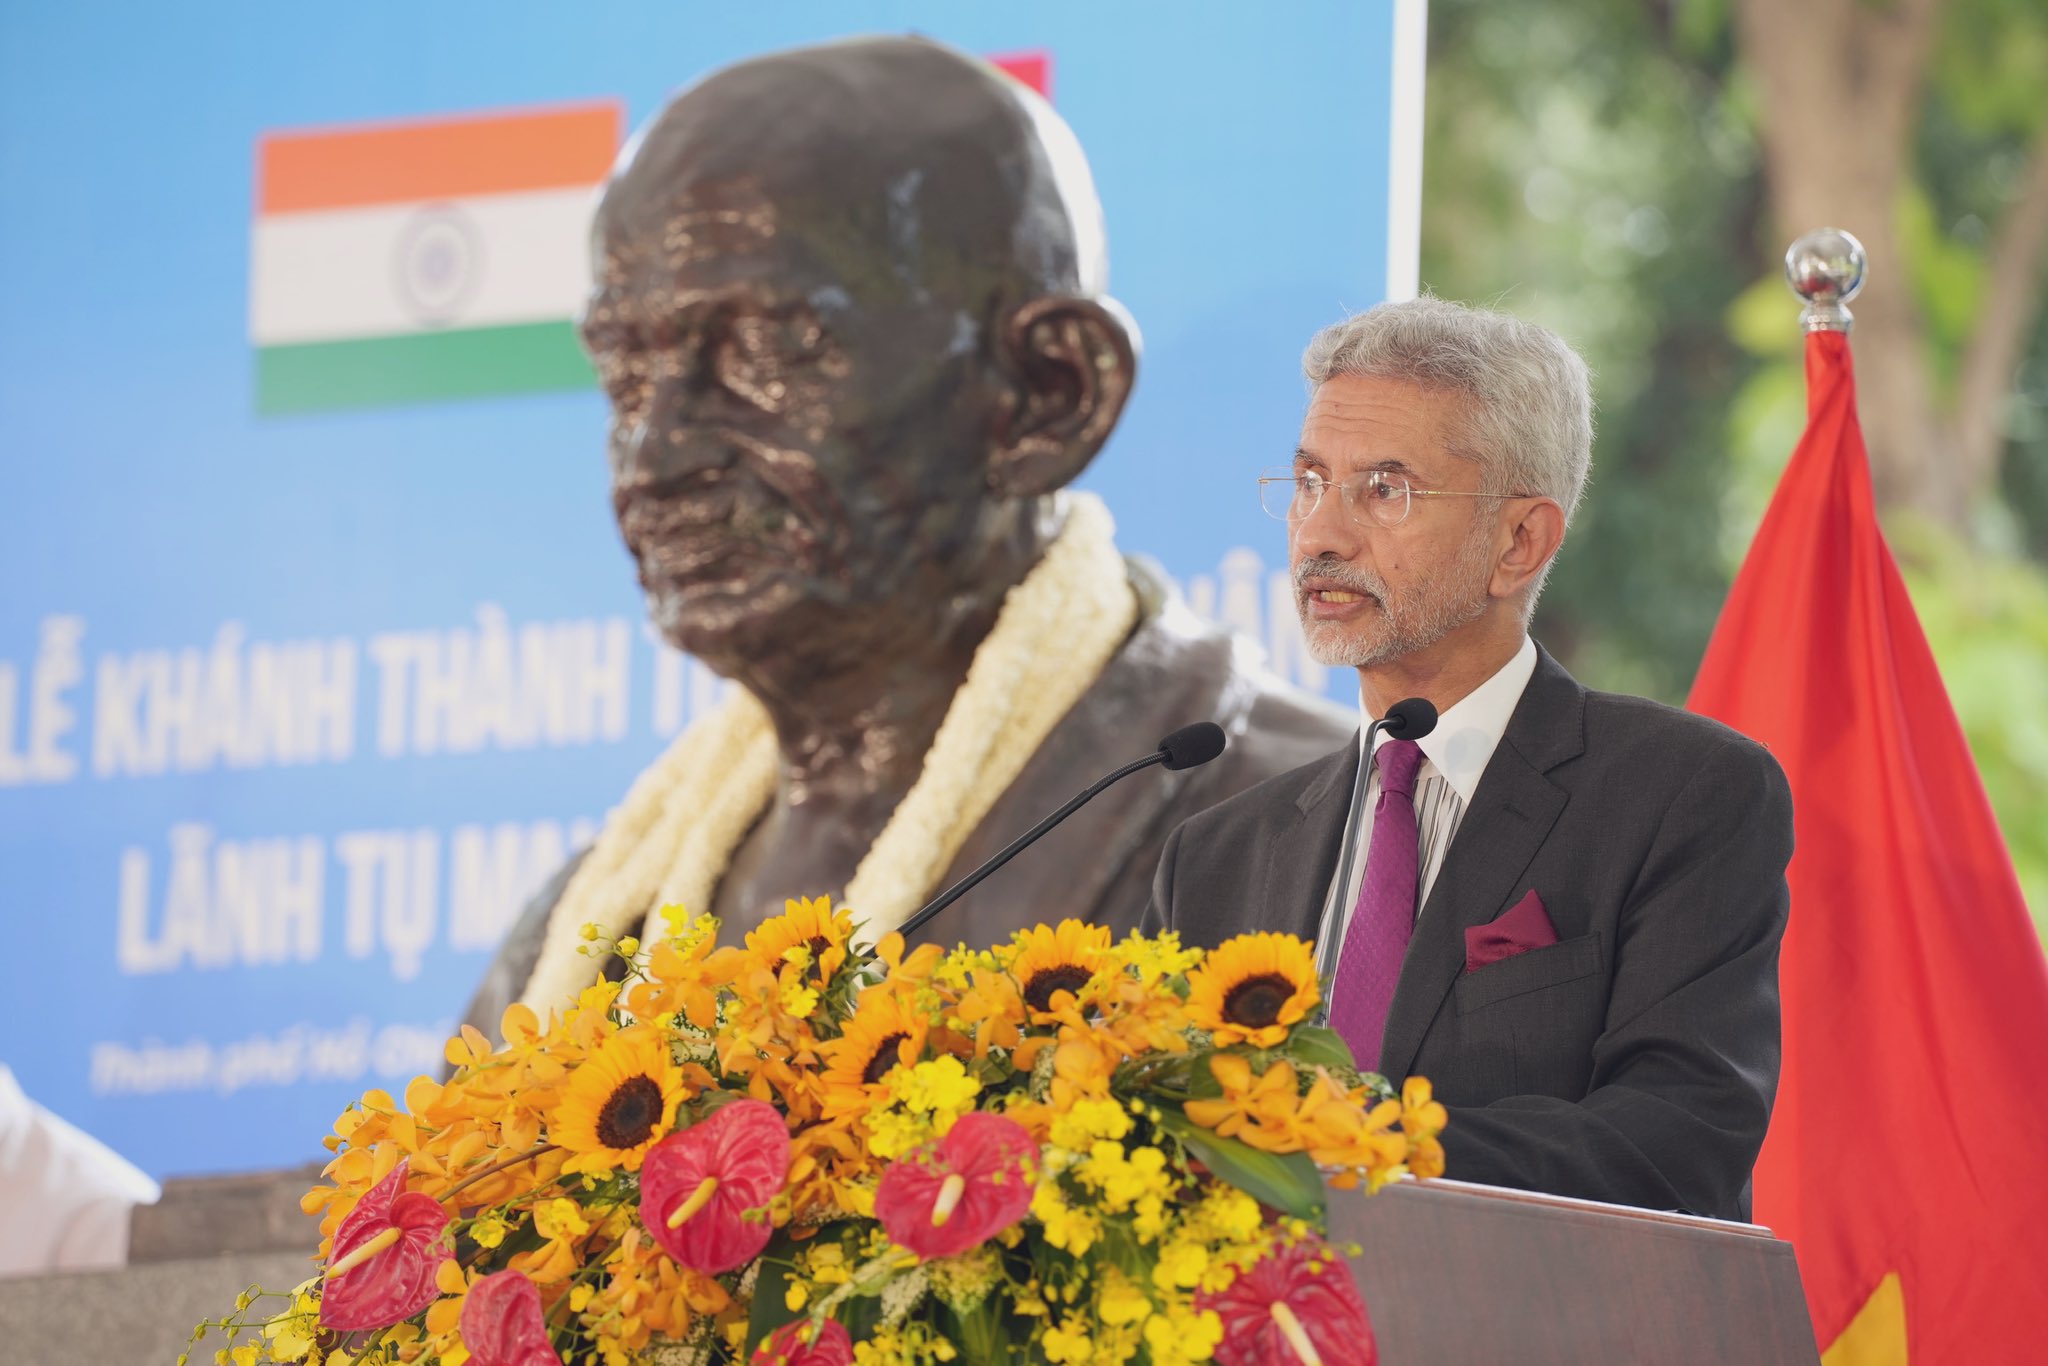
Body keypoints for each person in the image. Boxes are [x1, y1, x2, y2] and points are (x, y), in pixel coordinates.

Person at [462, 36, 1348, 1030]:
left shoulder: (1314, 835)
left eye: (767, 345)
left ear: (1047, 395)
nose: (655, 454)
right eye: (625, 371)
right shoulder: (587, 937)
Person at [1147, 297, 1793, 1222]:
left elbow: (1678, 1141)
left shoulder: (1682, 794)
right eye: (1309, 482)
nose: (1320, 535)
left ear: (1518, 543)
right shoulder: (1216, 855)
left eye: (1384, 489)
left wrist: (1350, 1142)